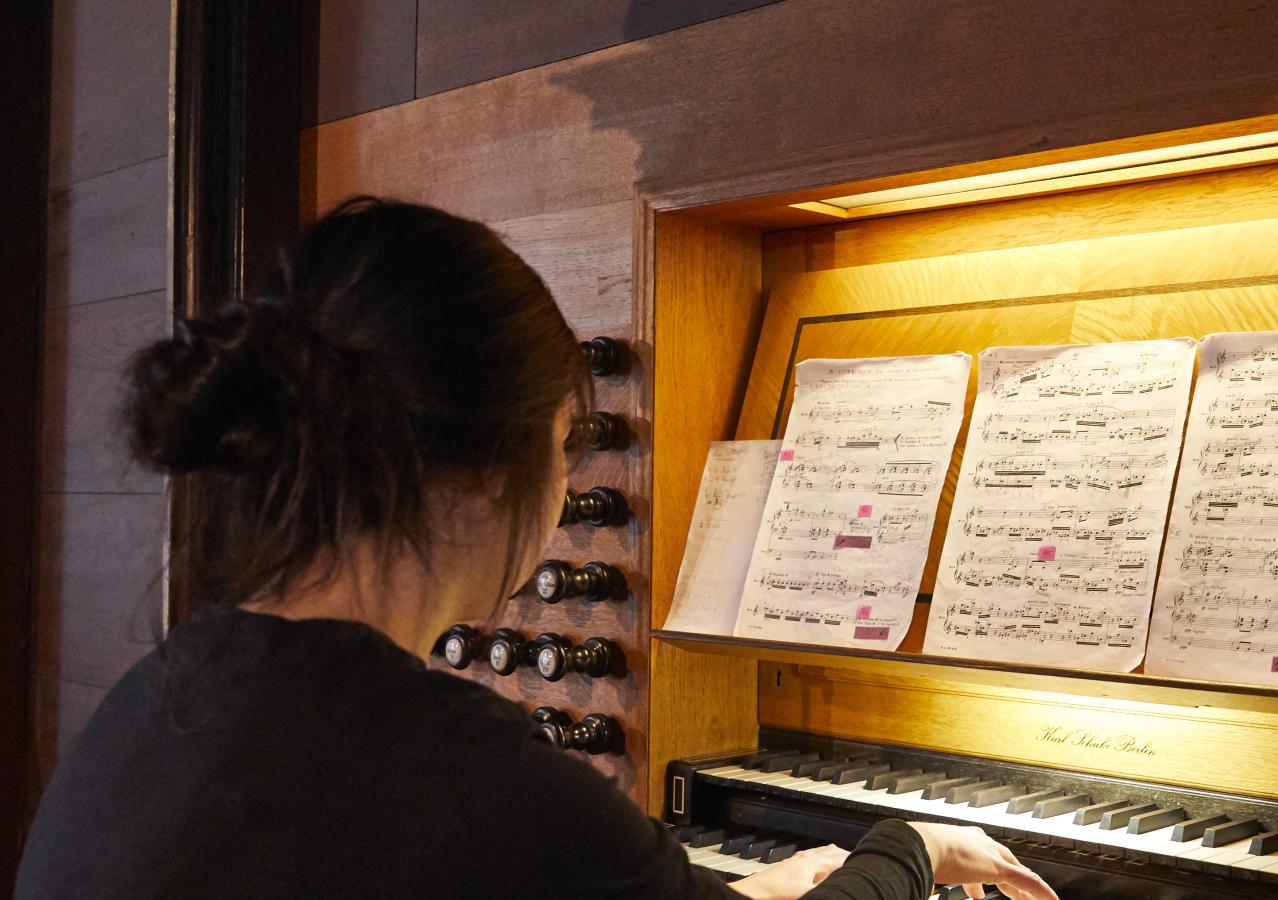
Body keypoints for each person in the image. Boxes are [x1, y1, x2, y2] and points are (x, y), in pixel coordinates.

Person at [15, 197, 1058, 900]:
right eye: (565, 447)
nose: (561, 493)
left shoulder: (167, 691)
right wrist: (909, 848)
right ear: (481, 471)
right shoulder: (447, 767)